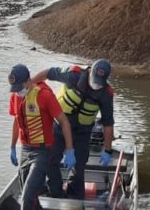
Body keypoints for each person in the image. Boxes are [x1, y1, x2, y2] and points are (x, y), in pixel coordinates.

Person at [7, 63, 75, 210]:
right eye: (14, 88)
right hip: (25, 150)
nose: (17, 91)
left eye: (20, 87)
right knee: (28, 193)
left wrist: (69, 149)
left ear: (29, 81)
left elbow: (64, 121)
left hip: (43, 152)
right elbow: (16, 120)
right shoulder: (16, 96)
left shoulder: (44, 96)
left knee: (28, 195)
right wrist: (12, 146)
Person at [32, 59, 116, 200]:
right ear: (90, 72)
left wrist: (108, 151)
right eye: (94, 81)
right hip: (58, 126)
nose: (95, 86)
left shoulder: (106, 94)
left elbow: (108, 124)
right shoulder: (73, 75)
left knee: (79, 166)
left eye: (99, 83)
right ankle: (56, 194)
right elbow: (48, 73)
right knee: (51, 160)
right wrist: (31, 86)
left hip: (82, 132)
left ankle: (74, 199)